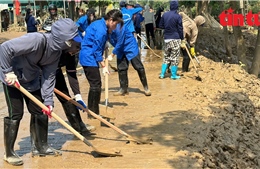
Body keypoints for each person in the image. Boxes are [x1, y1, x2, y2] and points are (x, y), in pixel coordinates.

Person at [0, 18, 80, 166]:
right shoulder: (35, 40)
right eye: (70, 41)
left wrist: (48, 101)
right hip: (12, 79)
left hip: (32, 79)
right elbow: (4, 48)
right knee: (16, 113)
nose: (72, 45)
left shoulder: (56, 53)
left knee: (40, 110)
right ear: (62, 38)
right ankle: (9, 153)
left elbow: (49, 76)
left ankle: (41, 146)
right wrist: (7, 72)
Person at [79, 9, 123, 118]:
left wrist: (105, 44)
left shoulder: (101, 24)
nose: (115, 27)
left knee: (96, 84)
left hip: (90, 56)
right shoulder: (101, 30)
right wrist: (104, 66)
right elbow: (96, 50)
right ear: (111, 20)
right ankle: (93, 113)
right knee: (95, 85)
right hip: (88, 57)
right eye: (116, 24)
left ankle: (94, 111)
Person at [55, 40, 95, 135]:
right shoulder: (55, 51)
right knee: (39, 106)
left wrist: (78, 96)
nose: (73, 54)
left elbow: (72, 74)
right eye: (73, 52)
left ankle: (79, 126)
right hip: (40, 74)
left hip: (56, 72)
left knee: (66, 98)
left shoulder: (71, 55)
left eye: (75, 53)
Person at [108, 23, 151, 96]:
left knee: (138, 67)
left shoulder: (119, 27)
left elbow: (120, 42)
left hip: (130, 47)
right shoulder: (105, 29)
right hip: (120, 50)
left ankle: (146, 87)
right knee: (121, 68)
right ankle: (123, 89)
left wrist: (112, 54)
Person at [159, 0, 183, 79]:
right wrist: (182, 38)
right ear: (177, 7)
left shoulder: (165, 15)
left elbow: (161, 25)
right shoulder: (178, 16)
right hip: (175, 39)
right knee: (174, 57)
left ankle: (162, 74)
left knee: (166, 56)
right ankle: (173, 75)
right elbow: (180, 29)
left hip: (166, 39)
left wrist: (167, 28)